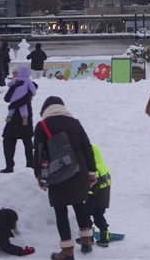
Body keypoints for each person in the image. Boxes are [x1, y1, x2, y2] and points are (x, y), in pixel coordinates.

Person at [34, 96, 97, 258]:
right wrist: (92, 172)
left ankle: (67, 251)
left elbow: (38, 153)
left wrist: (40, 176)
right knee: (79, 204)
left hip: (57, 173)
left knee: (60, 210)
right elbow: (87, 148)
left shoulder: (42, 126)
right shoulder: (74, 122)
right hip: (78, 171)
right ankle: (86, 240)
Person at [1, 66, 37, 173]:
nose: (15, 75)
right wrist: (13, 87)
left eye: (16, 73)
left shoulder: (31, 84)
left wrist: (13, 106)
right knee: (7, 140)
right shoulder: (14, 84)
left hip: (24, 118)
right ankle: (9, 166)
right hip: (12, 119)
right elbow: (7, 99)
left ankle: (30, 165)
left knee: (27, 142)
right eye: (14, 73)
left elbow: (26, 99)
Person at [85, 145, 111, 247]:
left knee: (87, 216)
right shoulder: (103, 166)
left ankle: (90, 238)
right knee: (99, 217)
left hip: (95, 198)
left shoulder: (94, 169)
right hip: (103, 199)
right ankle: (104, 237)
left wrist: (88, 196)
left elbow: (94, 186)